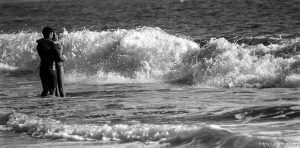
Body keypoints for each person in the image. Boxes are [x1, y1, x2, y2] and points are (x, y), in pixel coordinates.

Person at [36, 26, 65, 97]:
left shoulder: (39, 44)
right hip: (51, 69)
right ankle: (52, 107)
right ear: (51, 33)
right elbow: (60, 58)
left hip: (42, 69)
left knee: (45, 90)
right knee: (53, 91)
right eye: (53, 34)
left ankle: (42, 105)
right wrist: (64, 59)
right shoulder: (52, 45)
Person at [52, 31, 66, 97]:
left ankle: (64, 101)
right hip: (55, 66)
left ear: (57, 36)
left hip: (59, 66)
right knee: (56, 87)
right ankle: (60, 102)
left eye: (54, 35)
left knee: (60, 87)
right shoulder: (54, 43)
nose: (52, 36)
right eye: (52, 35)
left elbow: (59, 56)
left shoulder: (58, 44)